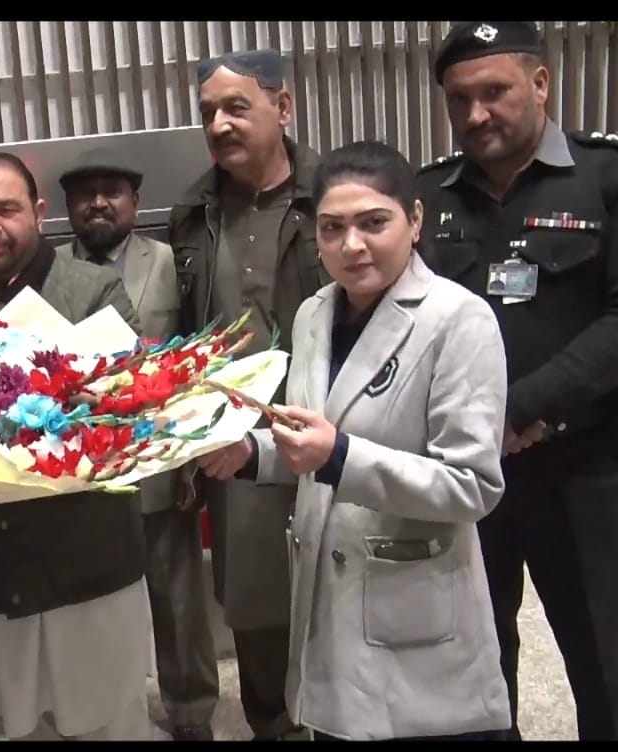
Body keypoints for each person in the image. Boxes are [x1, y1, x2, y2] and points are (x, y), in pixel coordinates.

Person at [200, 139, 512, 740]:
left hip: (414, 601)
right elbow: (309, 438)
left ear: (414, 220)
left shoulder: (458, 319)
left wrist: (340, 456)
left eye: (374, 223)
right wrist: (250, 453)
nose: (351, 245)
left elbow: (472, 485)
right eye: (332, 228)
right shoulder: (314, 314)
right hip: (328, 592)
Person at [0, 152, 153, 741]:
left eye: (6, 208)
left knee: (111, 724)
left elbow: (132, 413)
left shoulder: (93, 290)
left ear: (39, 213)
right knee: (12, 724)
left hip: (89, 571)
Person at [417, 20, 618, 740]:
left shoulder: (603, 177)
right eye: (459, 99)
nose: (476, 114)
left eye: (494, 92)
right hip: (466, 474)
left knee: (605, 659)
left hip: (587, 469)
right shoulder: (427, 196)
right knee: (471, 662)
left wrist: (523, 407)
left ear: (540, 84)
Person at [172, 47, 328, 742]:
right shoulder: (193, 212)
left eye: (237, 107)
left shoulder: (333, 196)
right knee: (255, 600)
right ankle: (273, 724)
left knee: (341, 582)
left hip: (330, 422)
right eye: (208, 112)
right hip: (236, 438)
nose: (219, 125)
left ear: (283, 107)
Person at [55, 149, 218, 741]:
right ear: (68, 207)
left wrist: (191, 461)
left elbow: (196, 357)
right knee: (92, 608)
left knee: (177, 599)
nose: (99, 203)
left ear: (136, 200)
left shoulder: (172, 260)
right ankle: (107, 713)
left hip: (160, 459)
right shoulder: (47, 271)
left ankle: (191, 710)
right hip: (79, 470)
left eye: (113, 191)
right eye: (86, 194)